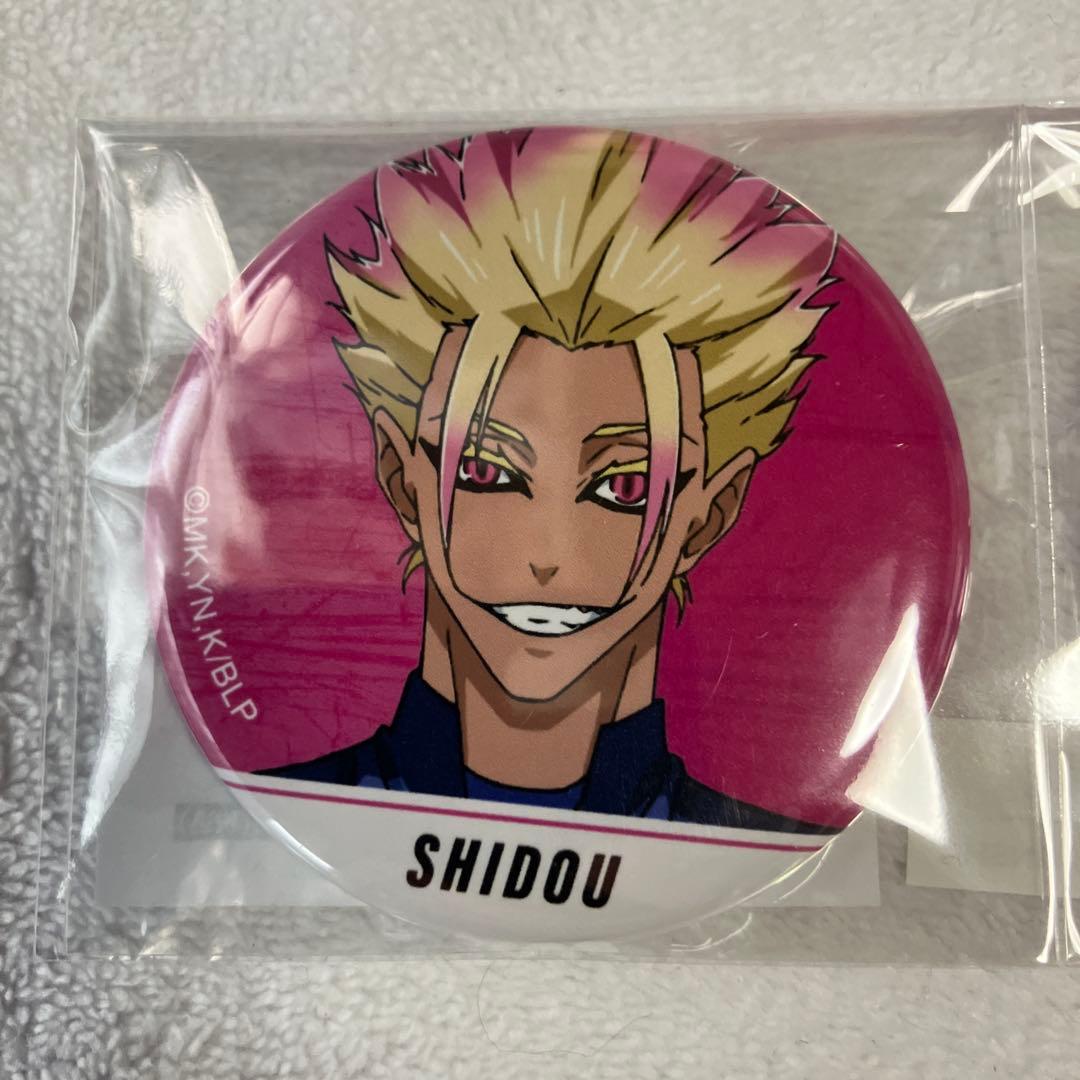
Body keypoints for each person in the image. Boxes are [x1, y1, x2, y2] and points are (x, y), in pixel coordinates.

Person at [262, 127, 837, 832]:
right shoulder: (288, 806)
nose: (549, 558)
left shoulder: (758, 844)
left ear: (708, 515)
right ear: (402, 480)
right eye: (486, 471)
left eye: (623, 488)